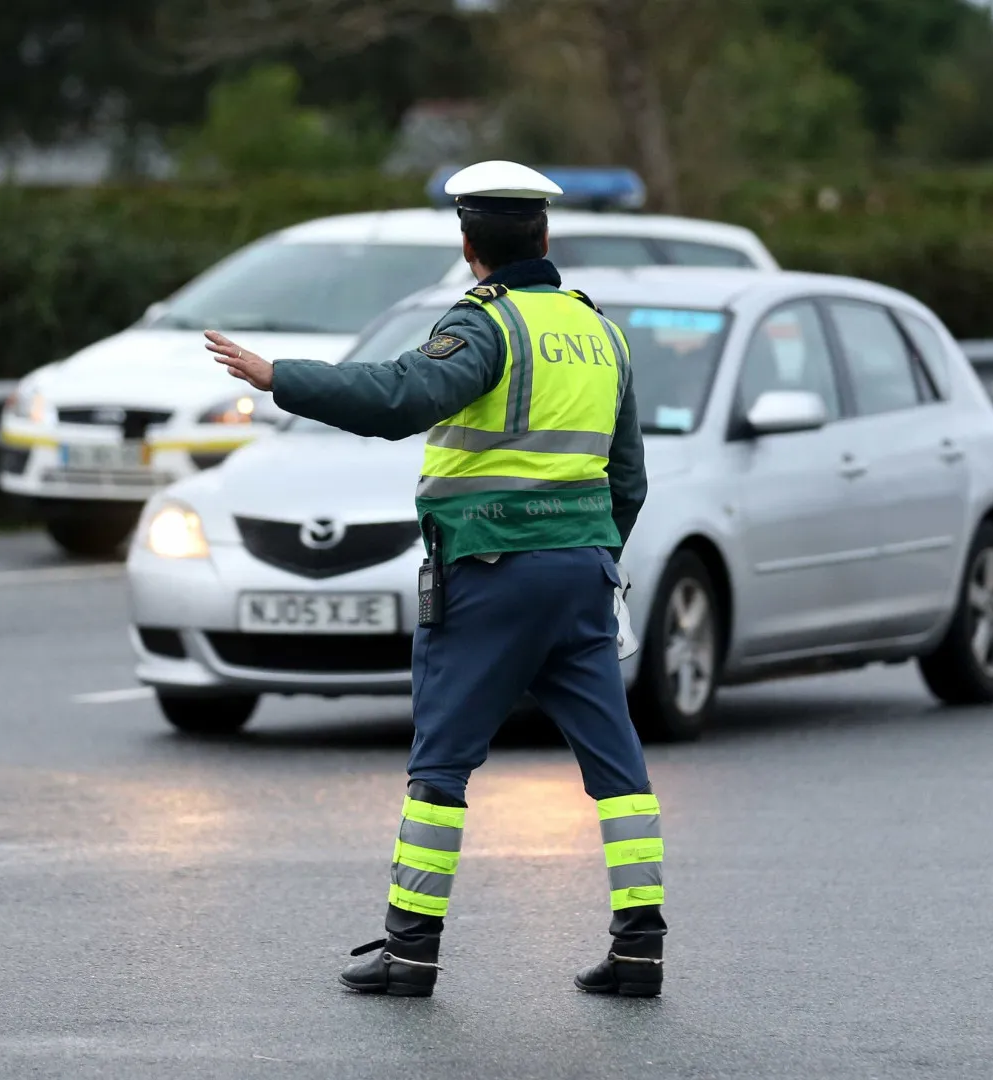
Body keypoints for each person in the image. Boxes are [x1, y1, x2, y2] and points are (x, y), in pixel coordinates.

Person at [205, 160, 663, 999]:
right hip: (582, 572)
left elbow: (402, 396)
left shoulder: (485, 326)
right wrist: (596, 555)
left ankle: (410, 950)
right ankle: (640, 949)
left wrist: (281, 378)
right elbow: (628, 478)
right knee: (616, 763)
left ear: (467, 244)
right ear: (545, 236)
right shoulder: (598, 331)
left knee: (442, 763)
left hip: (490, 572)